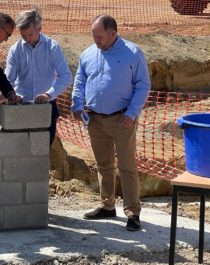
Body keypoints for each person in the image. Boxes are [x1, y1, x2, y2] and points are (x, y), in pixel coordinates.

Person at [71, 15, 151, 231]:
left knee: (127, 167)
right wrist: (77, 105)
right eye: (93, 36)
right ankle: (107, 205)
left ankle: (133, 212)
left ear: (113, 33)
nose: (95, 40)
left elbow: (143, 85)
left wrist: (132, 113)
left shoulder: (132, 53)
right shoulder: (88, 54)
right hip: (95, 119)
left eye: (99, 36)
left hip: (122, 119)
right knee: (103, 165)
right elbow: (80, 81)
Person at [5, 8, 72, 145]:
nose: (27, 39)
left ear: (39, 28)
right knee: (18, 148)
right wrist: (10, 94)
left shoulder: (52, 47)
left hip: (47, 106)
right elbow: (8, 79)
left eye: (30, 34)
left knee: (42, 150)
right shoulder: (15, 50)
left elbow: (66, 76)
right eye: (23, 35)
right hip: (20, 106)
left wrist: (48, 94)